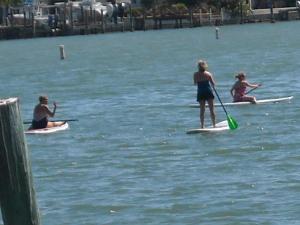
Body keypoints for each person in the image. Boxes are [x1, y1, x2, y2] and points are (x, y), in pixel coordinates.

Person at [193, 60, 216, 128]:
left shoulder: (195, 74)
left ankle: (202, 125)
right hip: (208, 91)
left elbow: (195, 83)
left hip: (200, 92)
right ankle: (214, 125)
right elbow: (213, 84)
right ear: (205, 66)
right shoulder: (208, 74)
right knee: (211, 109)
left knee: (202, 109)